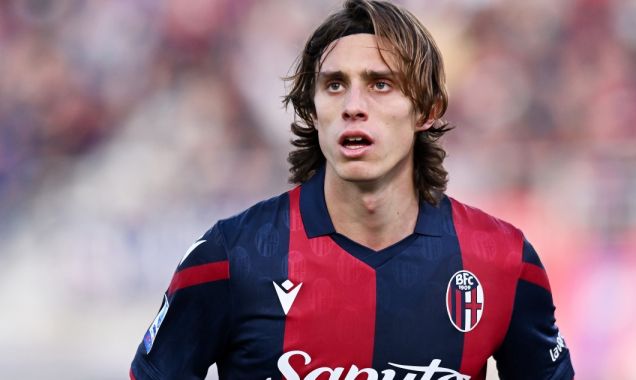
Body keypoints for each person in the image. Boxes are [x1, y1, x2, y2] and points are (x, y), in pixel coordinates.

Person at [130, 0, 574, 379]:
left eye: (380, 84)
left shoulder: (503, 260)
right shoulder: (231, 256)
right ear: (312, 110)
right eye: (334, 85)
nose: (354, 106)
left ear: (427, 111)